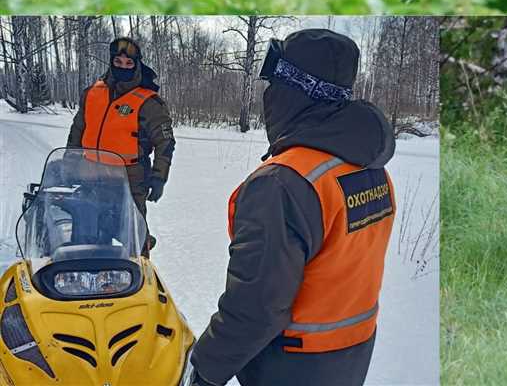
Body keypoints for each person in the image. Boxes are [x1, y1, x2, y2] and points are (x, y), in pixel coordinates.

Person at [189, 28, 396, 386]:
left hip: (292, 364)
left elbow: (256, 307)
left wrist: (205, 368)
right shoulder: (369, 166)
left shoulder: (282, 183)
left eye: (274, 82)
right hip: (352, 353)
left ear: (292, 91)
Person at [66, 37, 175, 248]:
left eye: (128, 63)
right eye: (118, 62)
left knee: (134, 235)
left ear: (136, 65)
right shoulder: (92, 94)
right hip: (91, 174)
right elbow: (78, 129)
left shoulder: (149, 102)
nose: (122, 67)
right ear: (111, 62)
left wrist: (159, 177)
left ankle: (140, 272)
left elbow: (166, 142)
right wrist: (69, 162)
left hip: (130, 178)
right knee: (88, 230)